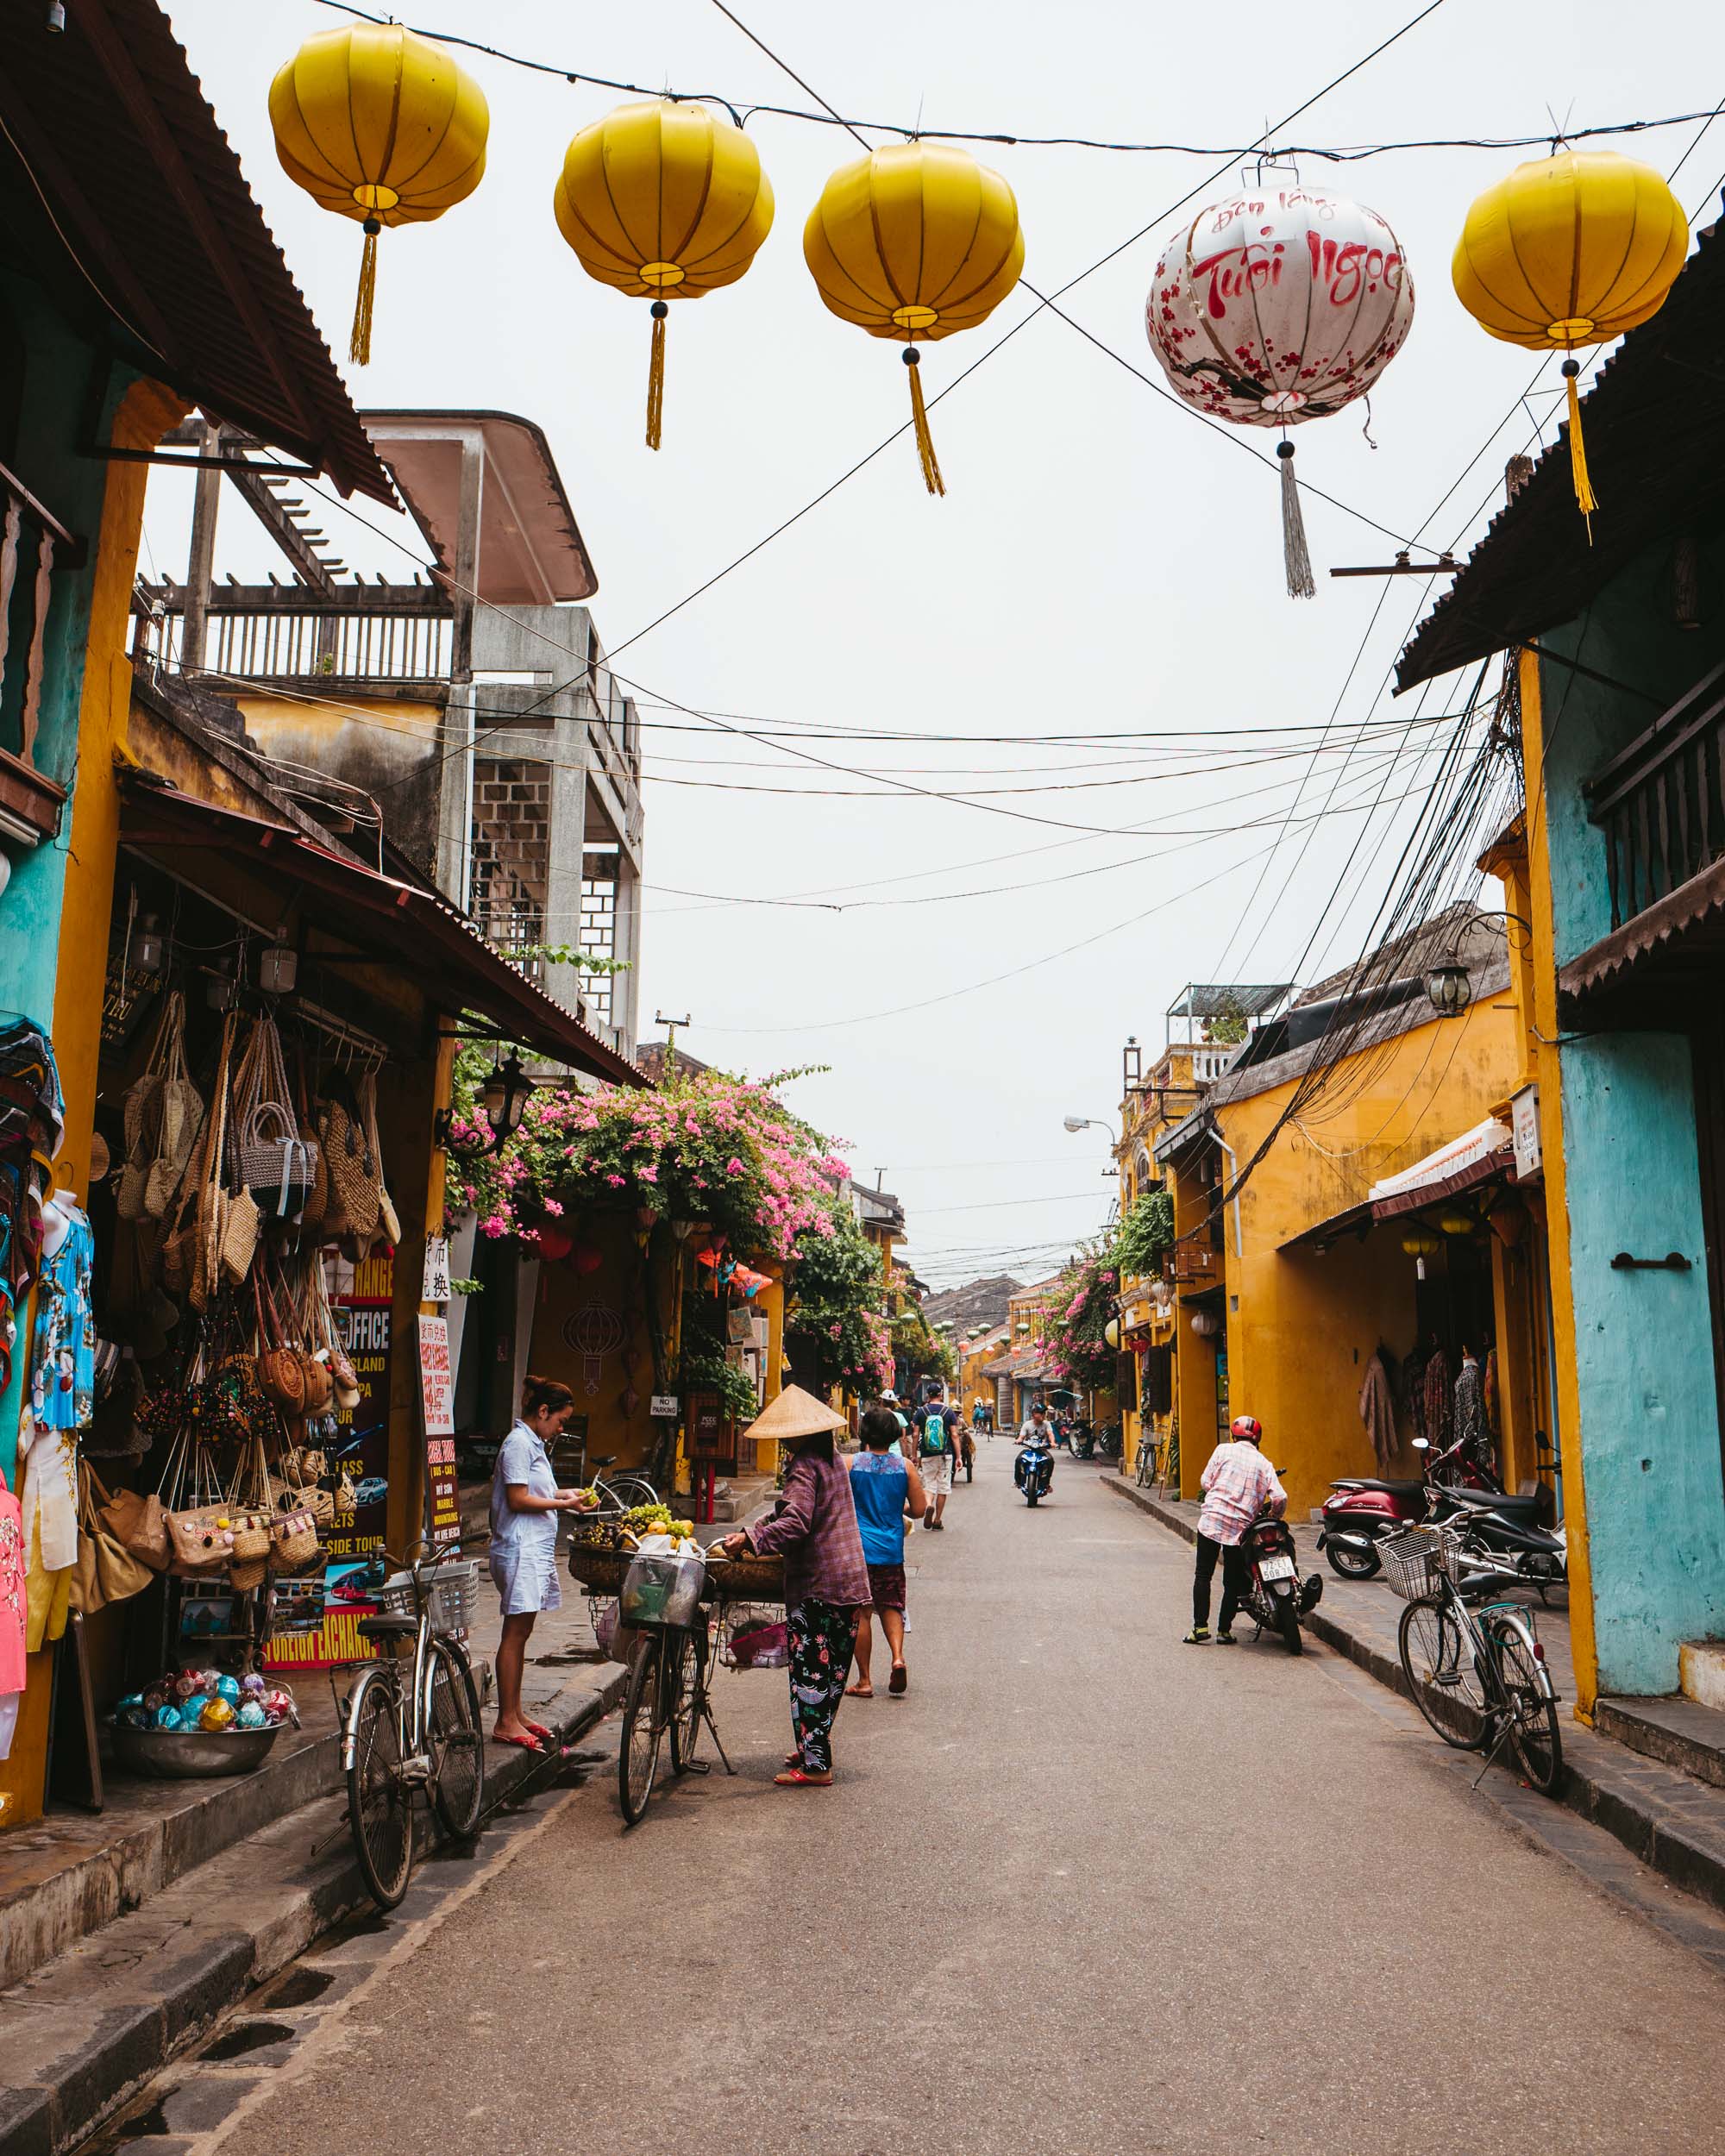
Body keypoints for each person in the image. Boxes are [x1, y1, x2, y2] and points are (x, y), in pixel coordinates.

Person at [720, 1387, 869, 1787]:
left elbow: (797, 1523)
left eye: (786, 1435)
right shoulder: (830, 1459)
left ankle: (817, 1766)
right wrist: (755, 1529)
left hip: (819, 1583)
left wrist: (753, 1541)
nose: (783, 1441)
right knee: (832, 1673)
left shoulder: (804, 1465)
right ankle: (811, 1745)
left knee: (810, 1674)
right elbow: (787, 1511)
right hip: (849, 1579)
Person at [489, 1375, 596, 1751]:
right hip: (518, 1548)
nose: (561, 1428)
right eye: (560, 1420)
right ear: (543, 1411)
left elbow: (538, 1491)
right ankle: (505, 1719)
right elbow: (518, 1499)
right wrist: (564, 1504)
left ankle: (516, 1713)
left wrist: (565, 1494)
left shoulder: (532, 1443)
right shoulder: (518, 1443)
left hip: (532, 1549)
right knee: (514, 1635)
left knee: (522, 1633)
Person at [1184, 1414, 1287, 1645]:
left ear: (1234, 1435)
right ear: (1258, 1438)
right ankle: (1224, 1631)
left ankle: (1199, 1628)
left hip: (1212, 1520)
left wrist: (1218, 1491)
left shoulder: (1222, 1450)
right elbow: (1279, 1497)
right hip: (1240, 1529)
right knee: (1232, 1581)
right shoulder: (1264, 1463)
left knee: (1203, 1575)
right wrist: (1274, 1515)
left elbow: (1206, 1481)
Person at [846, 1405, 925, 1697]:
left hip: (859, 1550)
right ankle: (897, 1657)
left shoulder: (851, 1464)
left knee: (862, 1613)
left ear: (865, 1432)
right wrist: (896, 1509)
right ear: (894, 1433)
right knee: (891, 1605)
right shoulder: (904, 1466)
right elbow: (919, 1509)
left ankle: (864, 1681)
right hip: (891, 1550)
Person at [917, 1391, 959, 1529]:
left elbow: (916, 1434)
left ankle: (929, 1504)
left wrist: (913, 1454)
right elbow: (954, 1434)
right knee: (943, 1487)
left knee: (928, 1484)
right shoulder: (948, 1412)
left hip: (926, 1453)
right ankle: (937, 1520)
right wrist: (958, 1457)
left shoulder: (921, 1411)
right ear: (940, 1395)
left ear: (928, 1395)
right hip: (945, 1454)